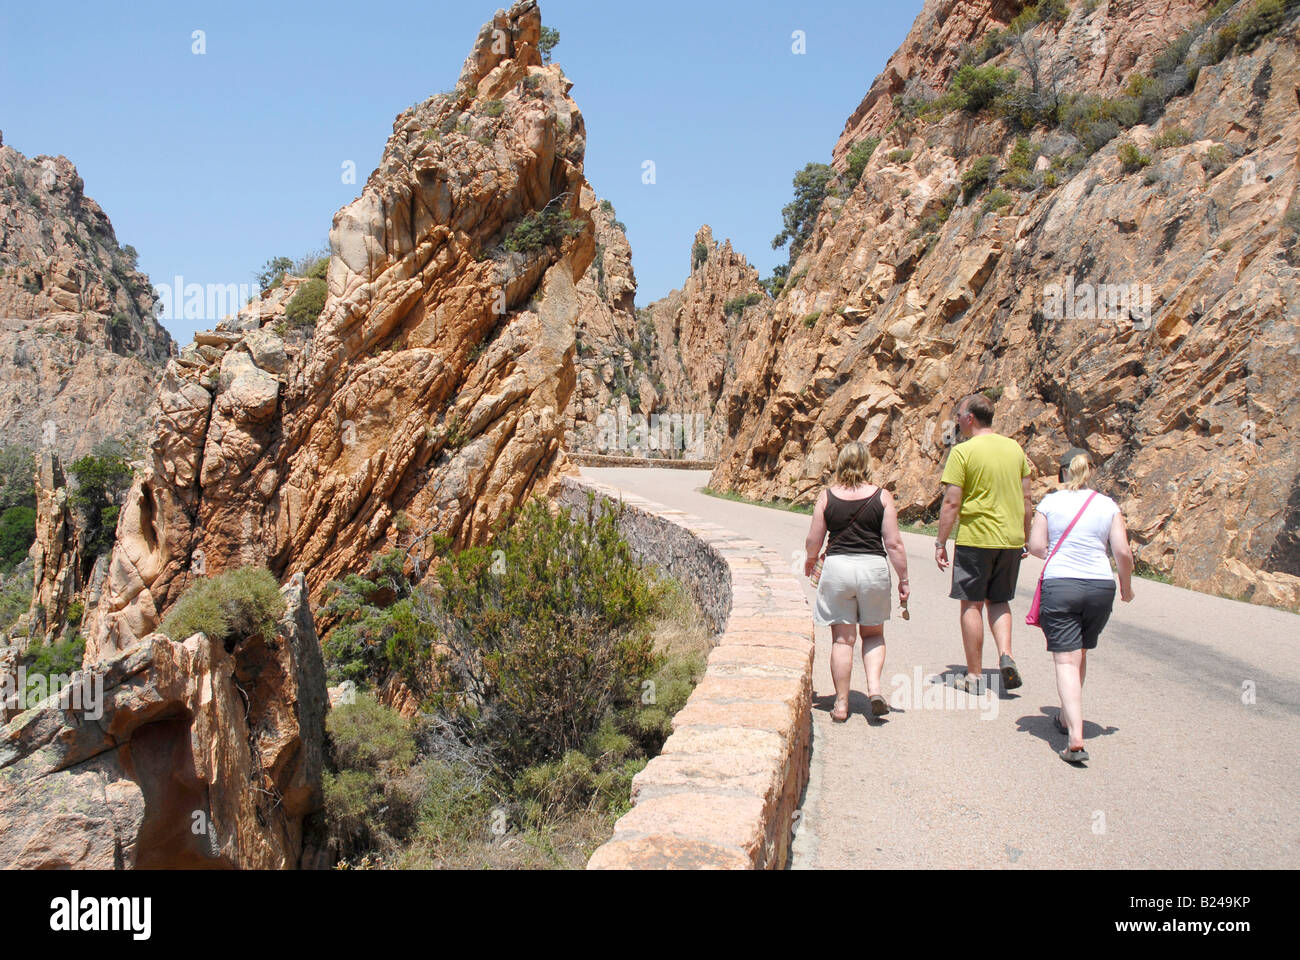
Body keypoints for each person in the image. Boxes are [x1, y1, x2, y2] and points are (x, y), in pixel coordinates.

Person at [1028, 449, 1134, 764]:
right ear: (1090, 472)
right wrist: (1126, 587)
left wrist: (1058, 556)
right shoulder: (1107, 505)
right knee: (1080, 652)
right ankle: (1065, 718)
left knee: (1065, 662)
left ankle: (1075, 736)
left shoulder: (1049, 502)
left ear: (1062, 473)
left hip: (1062, 584)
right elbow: (1123, 552)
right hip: (1101, 586)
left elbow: (1035, 546)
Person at [804, 442, 910, 722]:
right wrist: (904, 578)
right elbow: (894, 543)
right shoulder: (882, 497)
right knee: (873, 634)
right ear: (866, 464)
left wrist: (809, 560)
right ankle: (874, 689)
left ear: (840, 464)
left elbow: (813, 540)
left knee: (843, 639)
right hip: (872, 569)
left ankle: (840, 704)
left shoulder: (826, 497)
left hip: (838, 569)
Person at [935, 393, 1032, 694]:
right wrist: (1025, 538)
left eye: (960, 414)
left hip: (977, 538)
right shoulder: (1014, 448)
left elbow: (952, 502)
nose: (958, 420)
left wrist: (940, 542)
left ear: (970, 418)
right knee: (999, 600)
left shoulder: (963, 453)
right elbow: (1027, 499)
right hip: (1010, 538)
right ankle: (1006, 655)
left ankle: (975, 676)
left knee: (972, 604)